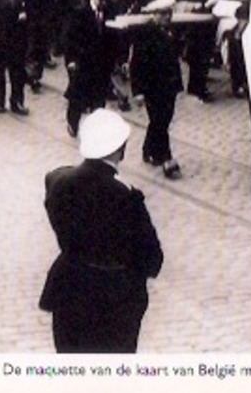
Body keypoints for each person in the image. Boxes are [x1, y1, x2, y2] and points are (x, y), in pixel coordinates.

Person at [38, 109, 163, 353]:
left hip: (69, 288)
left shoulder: (57, 181)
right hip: (114, 298)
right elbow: (152, 258)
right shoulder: (125, 195)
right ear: (121, 148)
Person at [128, 0, 184, 180]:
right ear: (153, 15)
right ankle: (166, 159)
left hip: (170, 86)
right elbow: (136, 64)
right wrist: (138, 91)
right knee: (159, 121)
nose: (167, 17)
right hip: (152, 87)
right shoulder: (145, 34)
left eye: (169, 13)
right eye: (162, 14)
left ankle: (148, 149)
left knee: (163, 121)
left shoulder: (171, 31)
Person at [57, 0, 114, 136]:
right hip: (82, 61)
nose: (104, 4)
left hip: (101, 63)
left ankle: (95, 125)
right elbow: (69, 38)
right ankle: (72, 123)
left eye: (106, 1)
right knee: (78, 95)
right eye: (101, 0)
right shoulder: (79, 13)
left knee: (99, 97)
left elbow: (111, 38)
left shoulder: (107, 12)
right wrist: (72, 60)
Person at [175, 0, 221, 102]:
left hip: (209, 26)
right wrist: (200, 5)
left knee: (206, 57)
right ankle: (195, 88)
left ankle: (201, 86)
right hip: (193, 28)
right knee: (195, 58)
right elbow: (180, 4)